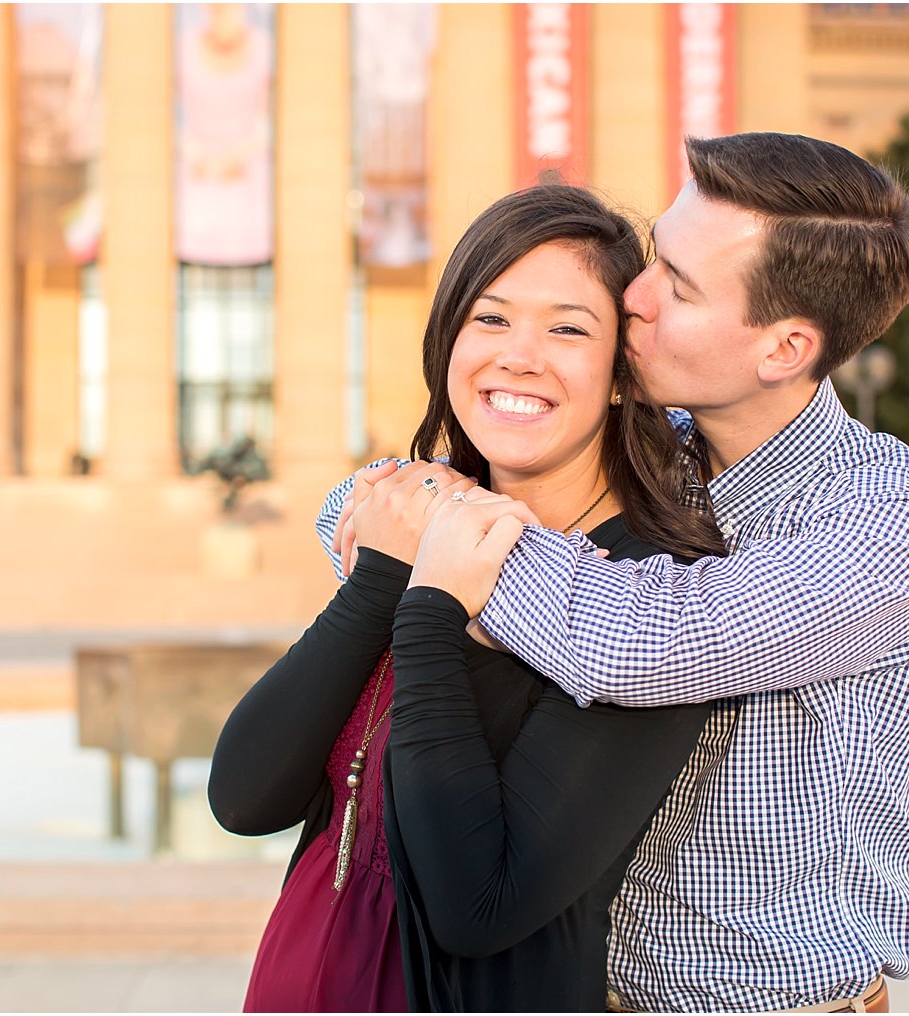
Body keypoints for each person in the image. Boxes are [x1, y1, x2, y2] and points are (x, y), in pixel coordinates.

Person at [320, 133, 909, 1012]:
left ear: (782, 349)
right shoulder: (648, 451)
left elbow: (643, 642)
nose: (632, 293)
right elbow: (366, 499)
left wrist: (440, 556)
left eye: (678, 282)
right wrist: (422, 520)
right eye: (656, 254)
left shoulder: (895, 520)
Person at [209, 184, 729, 1012]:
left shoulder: (647, 599)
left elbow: (476, 906)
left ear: (626, 375)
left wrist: (432, 612)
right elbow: (243, 797)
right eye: (490, 319)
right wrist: (384, 577)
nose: (518, 355)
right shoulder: (412, 520)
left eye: (567, 327)